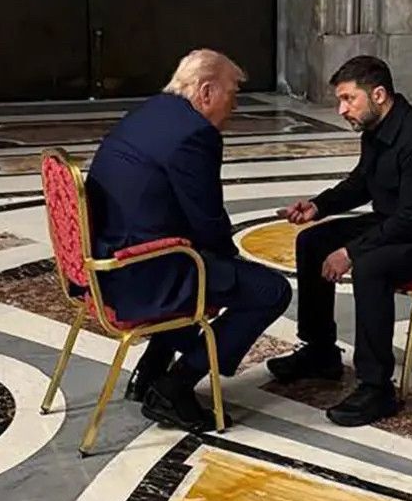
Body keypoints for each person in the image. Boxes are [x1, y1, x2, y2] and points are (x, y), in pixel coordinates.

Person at [85, 49, 292, 432]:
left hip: (107, 263)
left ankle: (149, 371)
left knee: (204, 264)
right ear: (206, 91)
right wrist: (233, 266)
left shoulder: (151, 112)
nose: (235, 105)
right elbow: (208, 219)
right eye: (233, 93)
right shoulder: (195, 134)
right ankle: (174, 385)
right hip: (142, 274)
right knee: (269, 291)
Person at [267, 55, 412, 427]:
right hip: (398, 224)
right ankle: (320, 351)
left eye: (349, 99)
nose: (341, 109)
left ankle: (377, 386)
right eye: (341, 100)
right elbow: (363, 182)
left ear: (378, 94)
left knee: (371, 266)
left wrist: (350, 252)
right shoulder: (378, 128)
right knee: (312, 242)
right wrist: (319, 206)